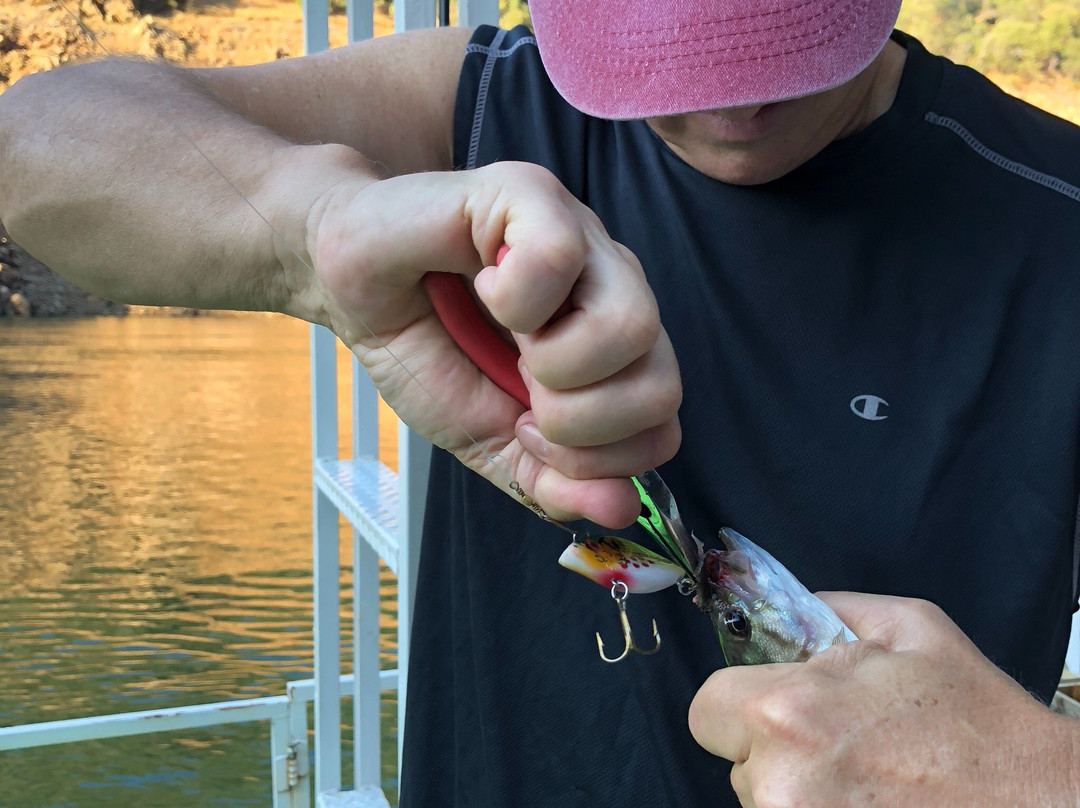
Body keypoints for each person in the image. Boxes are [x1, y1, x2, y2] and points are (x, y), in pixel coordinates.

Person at [1, 0, 1078, 804]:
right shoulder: (487, 106)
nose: (730, 103)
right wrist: (321, 236)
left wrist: (1040, 779)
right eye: (667, 45)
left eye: (777, 25)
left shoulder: (1057, 216)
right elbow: (40, 142)